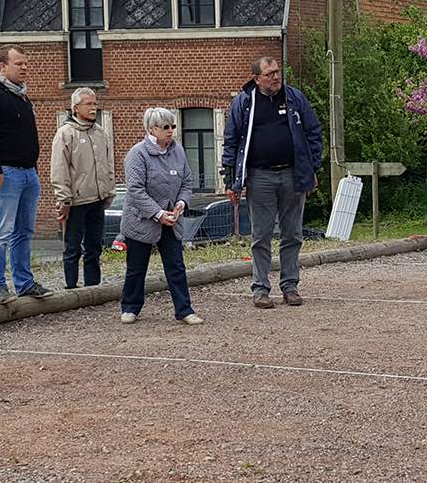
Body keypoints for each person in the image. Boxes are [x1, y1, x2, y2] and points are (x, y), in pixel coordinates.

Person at [222, 56, 323, 309]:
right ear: (256, 78)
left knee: (293, 234)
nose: (276, 77)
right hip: (259, 177)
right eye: (270, 74)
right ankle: (260, 289)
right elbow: (231, 141)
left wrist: (312, 168)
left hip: (292, 174)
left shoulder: (295, 98)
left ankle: (290, 286)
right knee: (261, 236)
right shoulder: (244, 103)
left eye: (277, 72)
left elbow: (313, 133)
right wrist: (231, 180)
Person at [0, 44, 54, 304]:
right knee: (2, 231)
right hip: (6, 173)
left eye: (26, 63)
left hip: (28, 173)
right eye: (19, 63)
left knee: (24, 232)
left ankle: (24, 283)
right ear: (2, 66)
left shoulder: (21, 96)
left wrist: (34, 170)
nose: (25, 67)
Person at [119, 108, 203, 325]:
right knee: (136, 267)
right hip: (141, 220)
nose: (170, 131)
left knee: (176, 266)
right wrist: (157, 213)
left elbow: (187, 182)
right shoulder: (137, 154)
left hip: (171, 220)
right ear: (151, 129)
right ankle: (130, 307)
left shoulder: (178, 151)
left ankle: (184, 310)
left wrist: (180, 204)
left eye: (172, 126)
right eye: (165, 127)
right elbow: (135, 190)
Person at [51, 87, 116, 290]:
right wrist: (64, 200)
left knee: (94, 247)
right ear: (76, 108)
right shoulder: (65, 134)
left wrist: (109, 191)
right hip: (76, 202)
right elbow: (59, 170)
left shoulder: (100, 133)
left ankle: (93, 287)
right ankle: (71, 287)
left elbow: (108, 164)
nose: (93, 108)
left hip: (97, 199)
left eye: (95, 104)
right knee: (72, 248)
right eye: (89, 104)